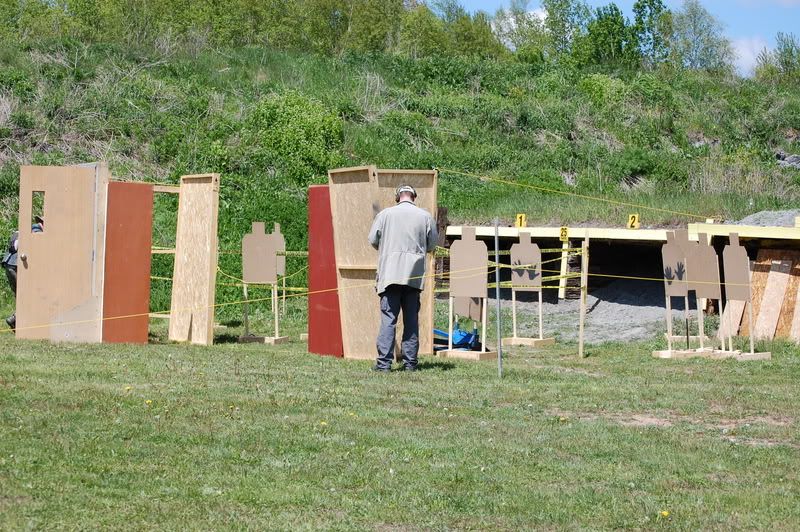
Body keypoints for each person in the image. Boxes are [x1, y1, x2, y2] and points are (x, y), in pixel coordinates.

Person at [368, 185, 438, 372]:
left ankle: (384, 364)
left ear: (397, 197)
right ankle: (410, 363)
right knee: (411, 320)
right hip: (413, 276)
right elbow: (432, 245)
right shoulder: (425, 216)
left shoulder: (385, 215)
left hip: (389, 274)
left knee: (388, 320)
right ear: (414, 197)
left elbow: (373, 240)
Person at [2, 216, 43, 330]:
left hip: (9, 265)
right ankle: (14, 319)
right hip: (17, 266)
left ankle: (15, 321)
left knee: (21, 296)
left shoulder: (24, 230)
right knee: (27, 296)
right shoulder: (36, 232)